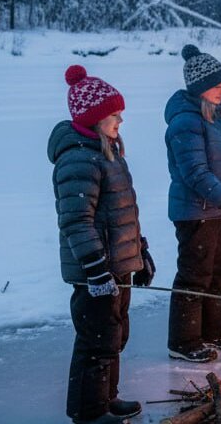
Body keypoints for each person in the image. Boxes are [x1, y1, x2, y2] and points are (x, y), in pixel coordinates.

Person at [49, 65, 155, 424]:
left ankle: (107, 399)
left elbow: (122, 213)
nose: (121, 120)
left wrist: (138, 254)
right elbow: (76, 221)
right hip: (94, 271)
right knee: (96, 339)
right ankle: (88, 411)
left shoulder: (108, 152)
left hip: (115, 266)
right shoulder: (79, 158)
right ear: (95, 118)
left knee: (114, 334)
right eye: (114, 115)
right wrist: (95, 269)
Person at [165, 45, 221, 363]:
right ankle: (183, 341)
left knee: (219, 272)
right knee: (194, 276)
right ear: (200, 89)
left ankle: (214, 332)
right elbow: (195, 173)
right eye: (216, 85)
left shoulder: (217, 119)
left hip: (219, 211)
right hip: (194, 212)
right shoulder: (186, 122)